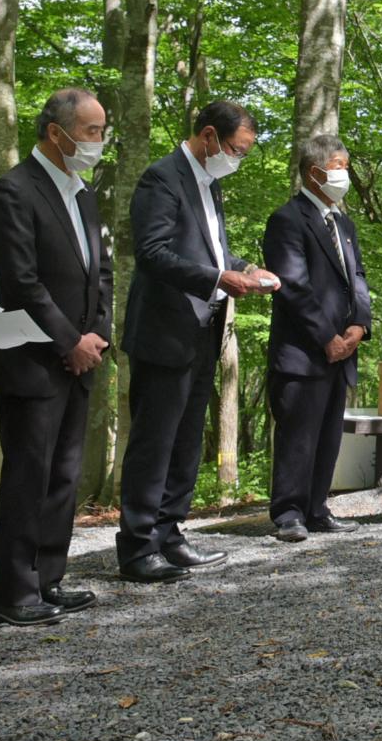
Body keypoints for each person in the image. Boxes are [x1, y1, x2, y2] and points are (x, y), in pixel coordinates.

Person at [118, 99, 280, 581]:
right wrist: (217, 279)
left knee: (187, 440)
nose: (239, 159)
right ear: (208, 136)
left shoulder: (209, 185)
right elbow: (152, 253)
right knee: (155, 441)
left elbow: (213, 250)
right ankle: (138, 545)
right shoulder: (162, 178)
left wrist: (246, 270)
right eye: (235, 149)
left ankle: (170, 532)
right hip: (163, 332)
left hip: (202, 331)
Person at [0, 89, 114, 626]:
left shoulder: (82, 194)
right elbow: (23, 281)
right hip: (33, 360)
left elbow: (100, 272)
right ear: (56, 133)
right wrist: (69, 341)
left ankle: (48, 579)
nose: (99, 143)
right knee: (28, 476)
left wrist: (97, 335)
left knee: (64, 475)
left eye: (102, 132)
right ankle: (12, 592)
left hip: (82, 358)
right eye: (91, 132)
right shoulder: (12, 192)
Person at [262, 134, 371, 541]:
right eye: (339, 166)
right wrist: (328, 337)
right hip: (303, 351)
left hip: (343, 349)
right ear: (315, 172)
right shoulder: (287, 220)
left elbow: (357, 277)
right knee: (299, 434)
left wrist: (359, 326)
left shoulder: (343, 222)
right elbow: (293, 285)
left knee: (327, 433)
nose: (345, 174)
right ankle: (288, 512)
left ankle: (317, 507)